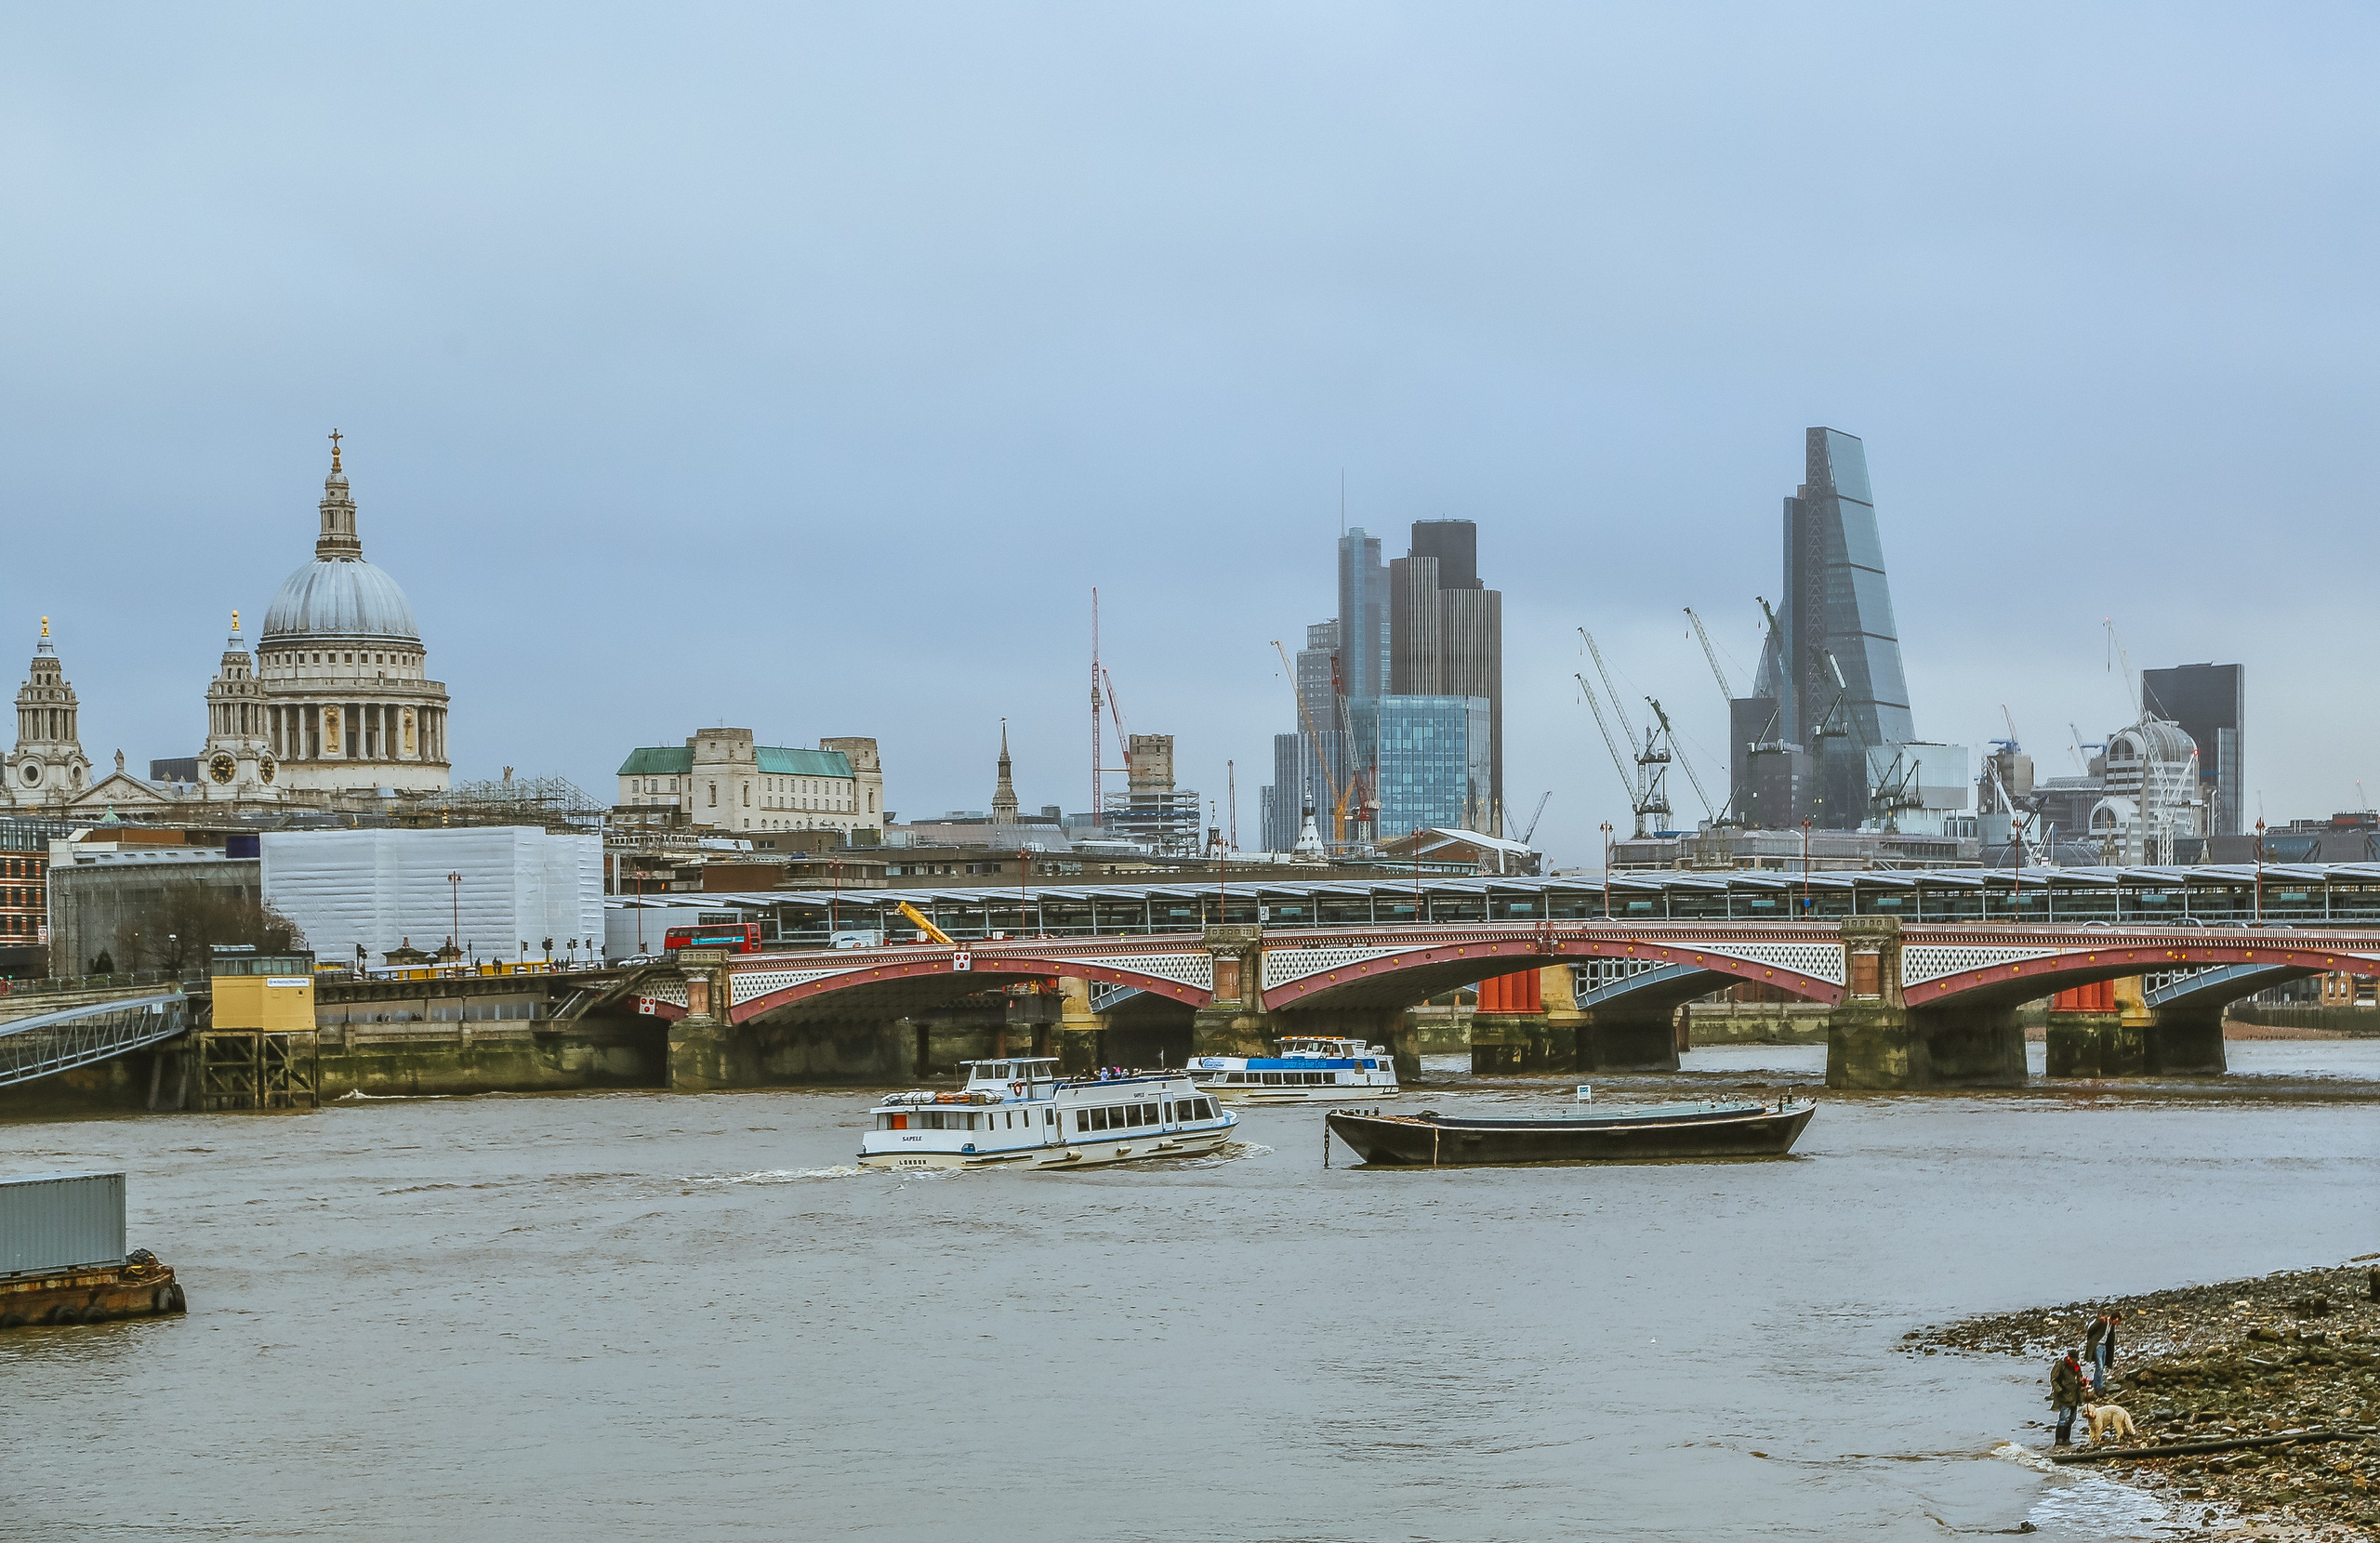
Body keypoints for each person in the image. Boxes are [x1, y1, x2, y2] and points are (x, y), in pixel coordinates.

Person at [2081, 1312, 2122, 1395]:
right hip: (2098, 1345)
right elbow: (2091, 1330)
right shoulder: (2102, 1321)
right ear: (2113, 1318)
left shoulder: (2111, 1326)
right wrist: (2092, 1341)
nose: (2117, 1323)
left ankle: (2096, 1386)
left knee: (2100, 1367)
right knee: (2100, 1366)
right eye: (2116, 1321)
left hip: (2103, 1346)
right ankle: (2099, 1387)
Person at [2050, 1350, 2084, 1446]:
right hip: (2064, 1396)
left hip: (2075, 1397)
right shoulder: (2061, 1365)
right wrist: (2059, 1390)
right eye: (2073, 1360)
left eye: (2076, 1360)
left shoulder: (2077, 1367)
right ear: (2068, 1357)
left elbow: (2079, 1378)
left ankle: (2066, 1439)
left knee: (2071, 1419)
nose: (2074, 1362)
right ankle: (2059, 1440)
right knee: (2064, 1418)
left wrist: (2082, 1382)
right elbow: (2053, 1379)